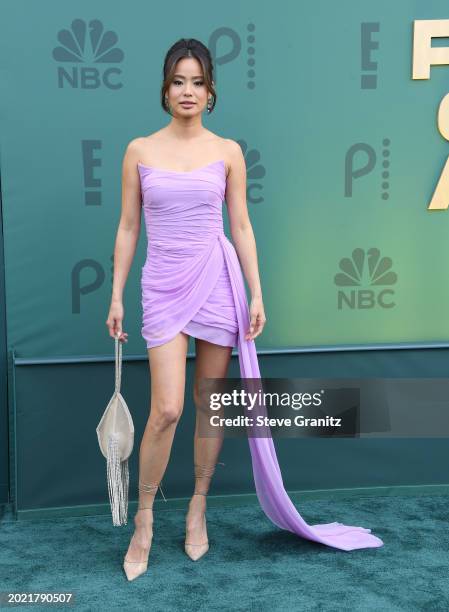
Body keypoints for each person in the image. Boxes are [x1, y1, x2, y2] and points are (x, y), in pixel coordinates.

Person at [106, 38, 383, 583]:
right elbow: (128, 227)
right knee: (166, 409)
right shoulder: (139, 150)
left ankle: (198, 505)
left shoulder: (227, 151)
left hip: (217, 280)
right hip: (163, 284)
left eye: (198, 82)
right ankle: (143, 519)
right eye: (179, 81)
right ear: (165, 89)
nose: (188, 91)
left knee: (210, 405)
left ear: (211, 92)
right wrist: (115, 294)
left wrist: (257, 292)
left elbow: (242, 226)